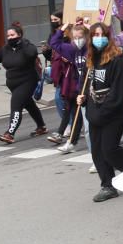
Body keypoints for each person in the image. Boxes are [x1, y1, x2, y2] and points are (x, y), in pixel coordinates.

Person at [78, 22, 123, 203]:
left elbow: (118, 91)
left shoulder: (116, 61)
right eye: (95, 35)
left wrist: (103, 112)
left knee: (109, 148)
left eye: (102, 34)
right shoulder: (91, 61)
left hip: (112, 113)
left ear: (108, 37)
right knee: (97, 152)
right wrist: (82, 97)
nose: (98, 38)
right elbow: (86, 85)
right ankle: (107, 185)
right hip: (94, 112)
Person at [0, 23, 46, 144]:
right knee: (29, 104)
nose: (10, 37)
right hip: (12, 83)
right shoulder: (6, 48)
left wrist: (23, 43)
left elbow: (32, 54)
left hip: (27, 81)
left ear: (19, 35)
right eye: (8, 35)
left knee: (16, 106)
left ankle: (10, 133)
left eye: (12, 35)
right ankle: (41, 127)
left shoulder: (27, 46)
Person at [47, 21, 89, 152]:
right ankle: (72, 142)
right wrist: (62, 29)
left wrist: (90, 29)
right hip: (80, 89)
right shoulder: (72, 50)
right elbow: (54, 44)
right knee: (78, 117)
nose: (77, 40)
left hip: (93, 88)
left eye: (80, 37)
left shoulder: (91, 48)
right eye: (75, 38)